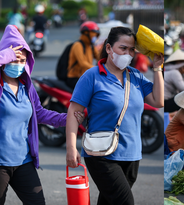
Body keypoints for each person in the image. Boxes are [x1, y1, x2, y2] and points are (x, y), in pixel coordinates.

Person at [65, 27, 164, 204]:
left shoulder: (135, 76)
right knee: (124, 201)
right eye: (123, 48)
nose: (128, 53)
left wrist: (157, 69)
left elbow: (158, 101)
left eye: (132, 49)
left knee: (108, 201)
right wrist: (71, 148)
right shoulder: (92, 76)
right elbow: (73, 112)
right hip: (101, 154)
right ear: (109, 48)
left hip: (132, 154)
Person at [0, 25, 84, 205]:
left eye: (22, 60)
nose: (18, 64)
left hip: (23, 161)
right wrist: (5, 54)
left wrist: (68, 118)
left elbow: (39, 113)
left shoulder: (27, 88)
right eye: (13, 60)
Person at [66, 21, 100, 89]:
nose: (95, 37)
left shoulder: (91, 46)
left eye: (97, 35)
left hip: (85, 77)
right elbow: (82, 63)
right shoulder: (78, 45)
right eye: (94, 34)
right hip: (74, 78)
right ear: (86, 33)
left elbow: (100, 57)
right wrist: (97, 69)